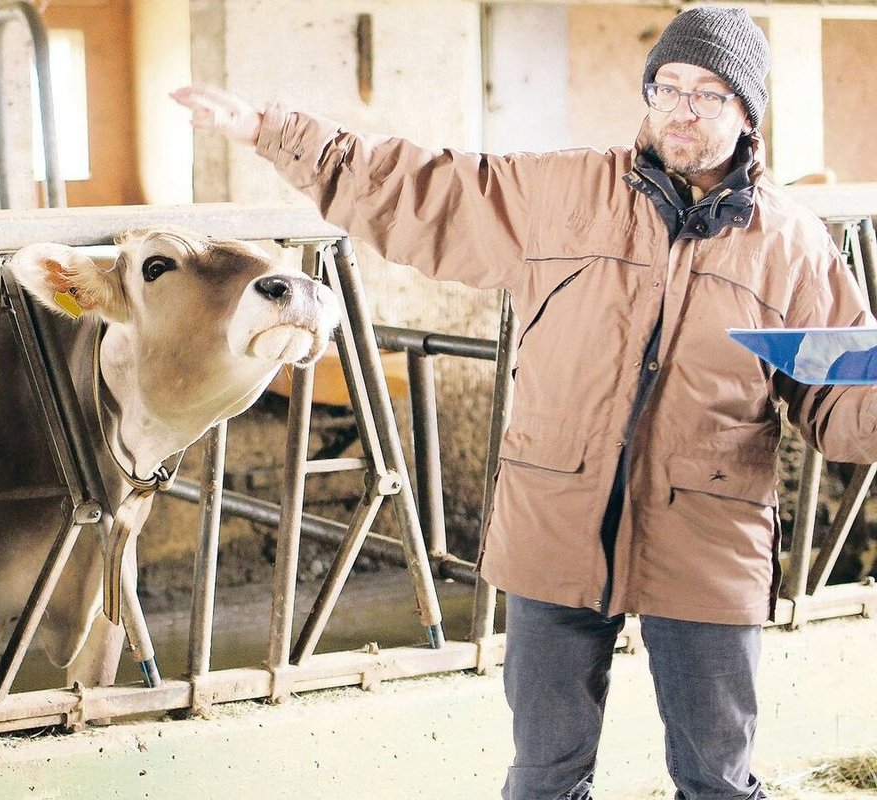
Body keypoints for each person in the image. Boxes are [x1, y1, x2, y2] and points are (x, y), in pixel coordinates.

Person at [174, 7, 877, 799]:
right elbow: (418, 191)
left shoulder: (792, 245)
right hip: (557, 526)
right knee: (543, 777)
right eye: (667, 86)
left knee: (716, 777)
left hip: (709, 542)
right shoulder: (561, 193)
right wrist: (275, 130)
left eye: (709, 95)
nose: (681, 108)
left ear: (748, 112)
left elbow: (839, 400)